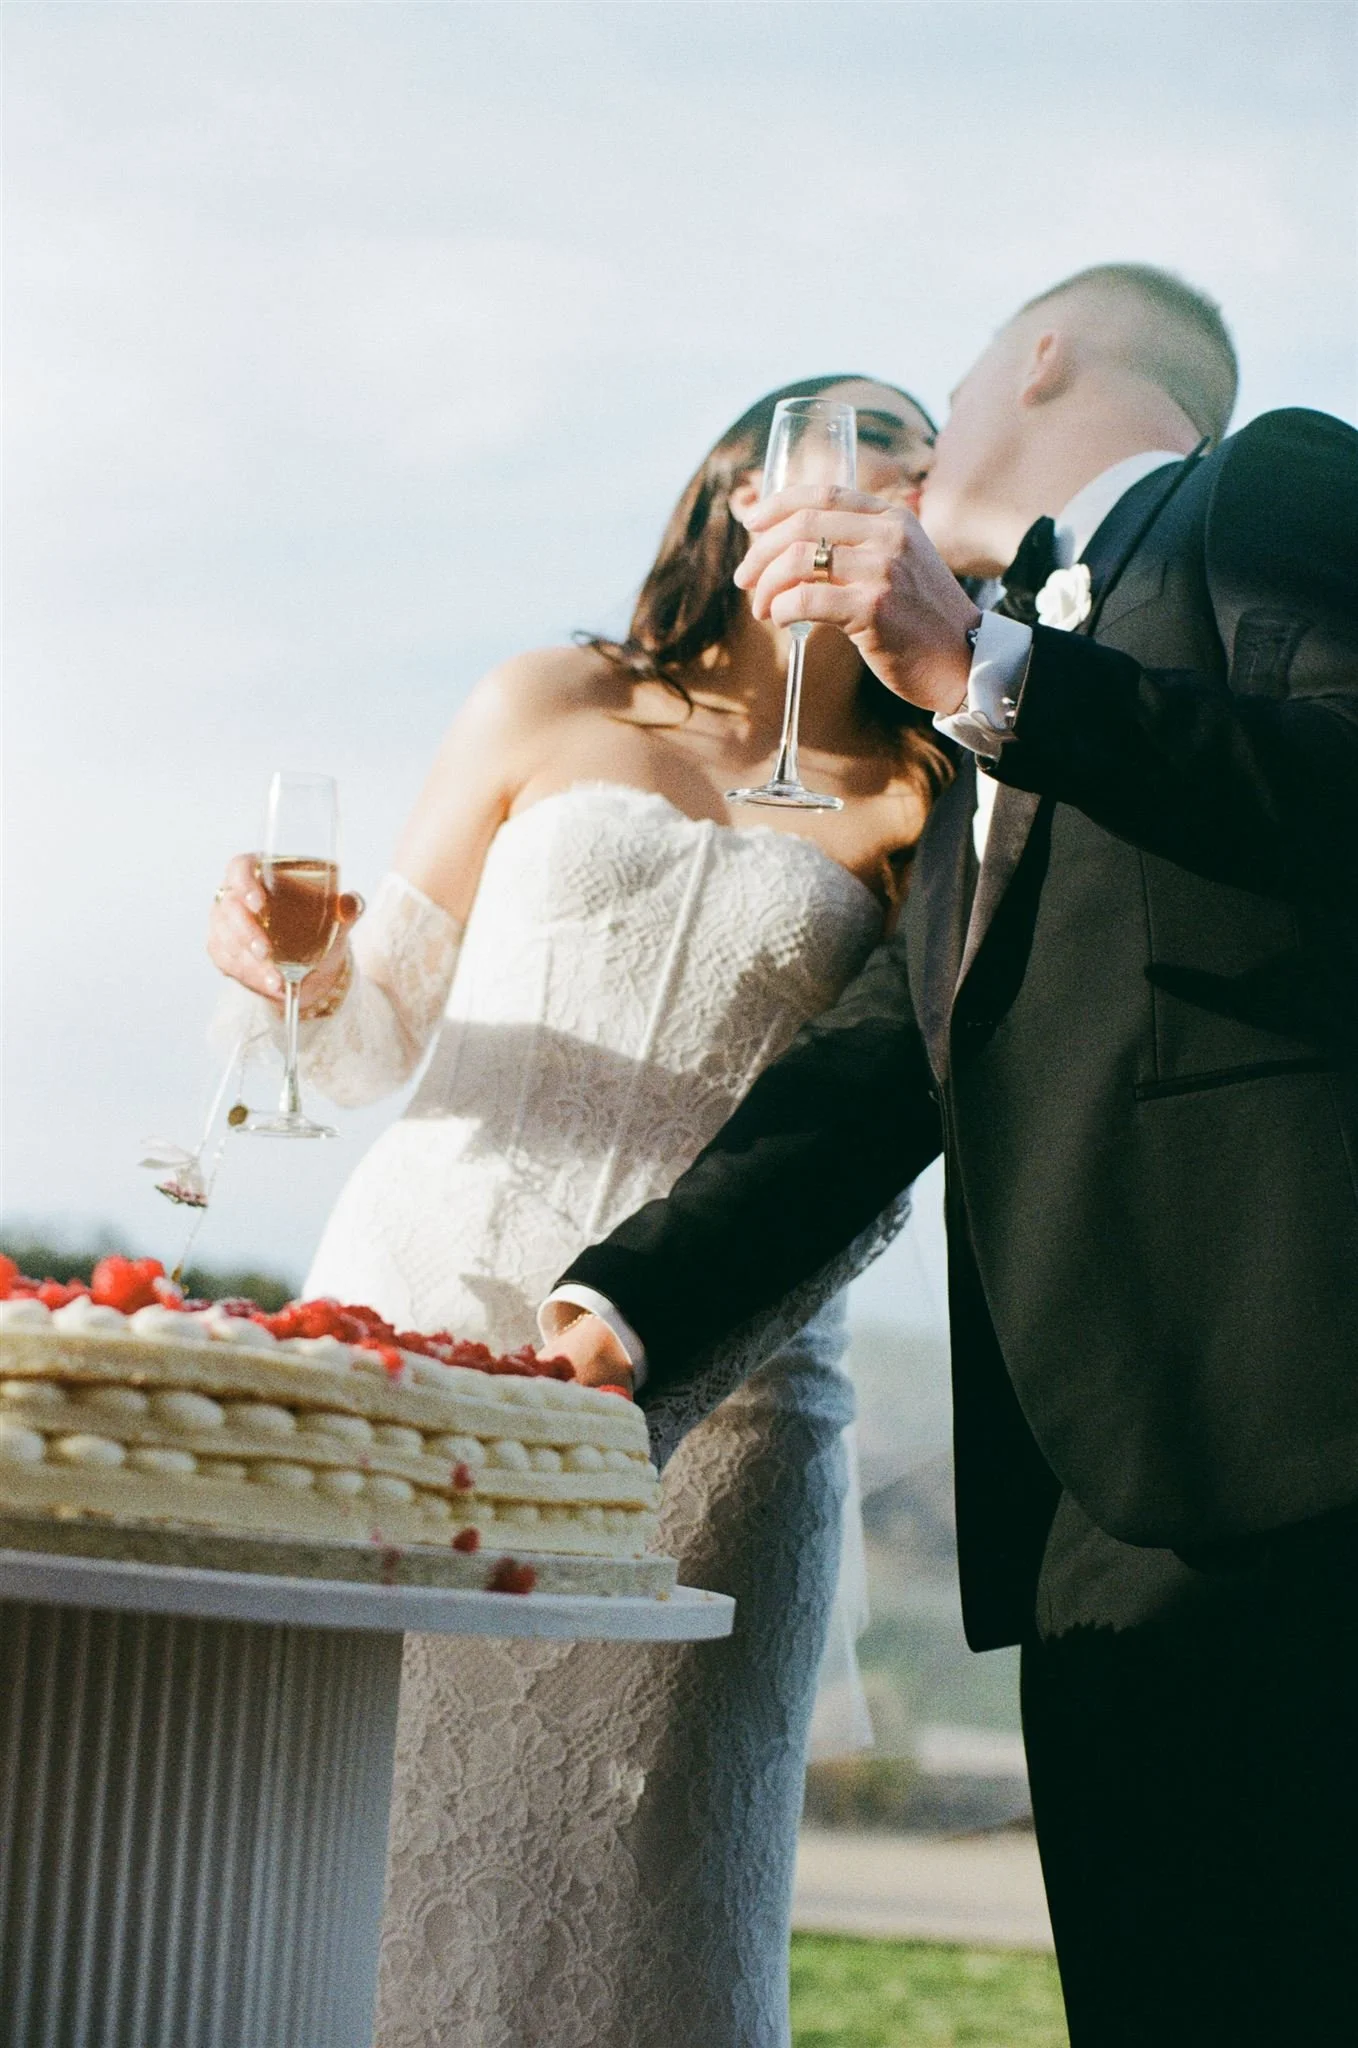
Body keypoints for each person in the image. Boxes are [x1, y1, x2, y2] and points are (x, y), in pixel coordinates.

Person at [546, 266, 1358, 2047]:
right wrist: (625, 1300)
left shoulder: (1273, 488)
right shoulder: (972, 730)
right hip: (1077, 1520)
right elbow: (881, 1073)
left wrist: (989, 669)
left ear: (1043, 352)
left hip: (1303, 1467)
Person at [208, 374, 947, 2048]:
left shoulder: (924, 805)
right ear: (738, 502)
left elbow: (879, 1111)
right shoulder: (547, 700)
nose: (866, 513)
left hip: (711, 1403)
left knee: (630, 1892)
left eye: (909, 490)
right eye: (837, 472)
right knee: (331, 1835)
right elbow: (374, 1027)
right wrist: (295, 961)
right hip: (415, 1316)